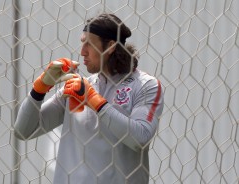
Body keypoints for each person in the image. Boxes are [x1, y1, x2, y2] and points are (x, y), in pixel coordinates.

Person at [14, 13, 164, 184]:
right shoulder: (77, 88)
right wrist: (40, 87)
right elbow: (23, 131)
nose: (82, 51)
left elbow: (140, 138)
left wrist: (94, 100)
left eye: (89, 44)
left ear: (110, 46)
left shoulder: (145, 85)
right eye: (82, 42)